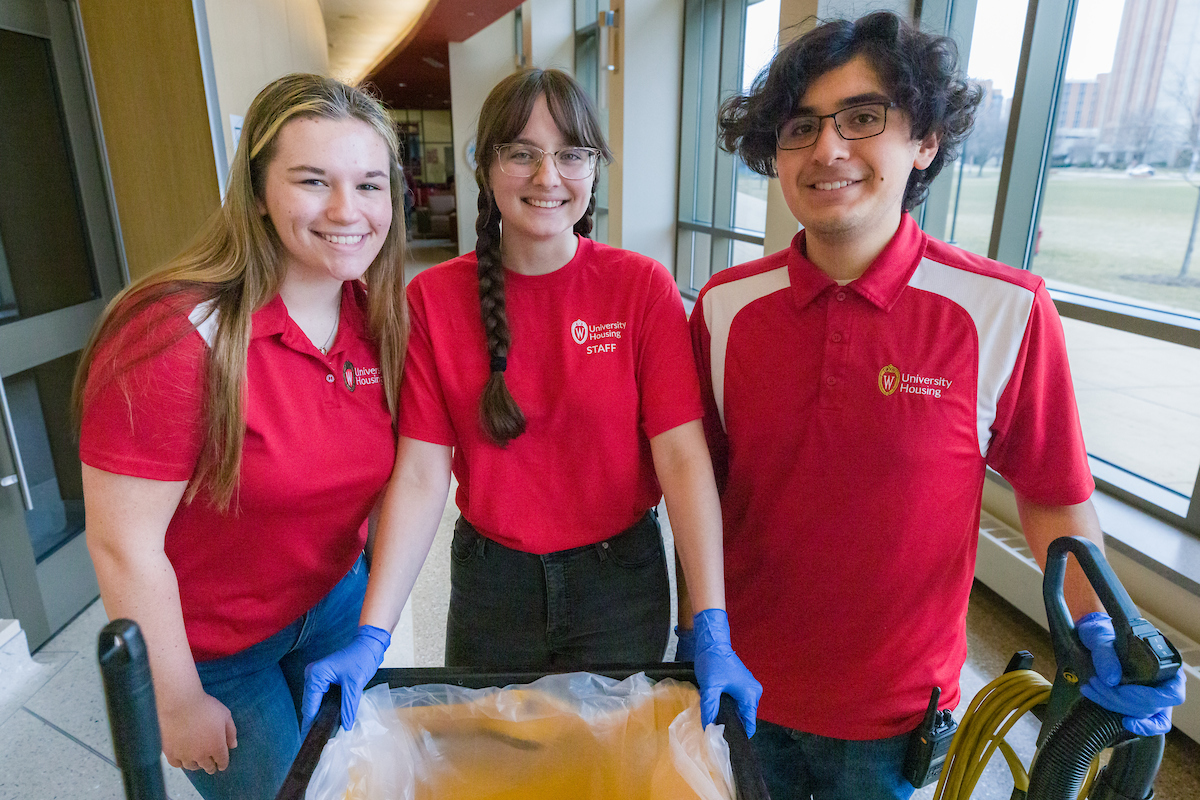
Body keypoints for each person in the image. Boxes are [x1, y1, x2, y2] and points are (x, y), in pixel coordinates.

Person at [691, 11, 1185, 800]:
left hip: (893, 714)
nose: (827, 149)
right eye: (800, 127)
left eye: (862, 118)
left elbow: (1053, 495)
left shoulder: (1004, 310)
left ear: (924, 140)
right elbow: (700, 488)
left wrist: (1100, 626)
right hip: (742, 687)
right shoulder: (725, 307)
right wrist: (697, 627)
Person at [302, 67, 761, 737]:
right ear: (487, 167)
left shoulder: (640, 288)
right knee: (494, 755)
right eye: (521, 153)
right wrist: (374, 632)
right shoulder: (433, 300)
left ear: (594, 168)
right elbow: (422, 474)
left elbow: (683, 459)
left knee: (613, 757)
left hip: (619, 581)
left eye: (571, 154)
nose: (548, 176)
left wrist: (711, 623)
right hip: (493, 585)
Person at [75, 73, 407, 800]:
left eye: (370, 185)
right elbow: (122, 542)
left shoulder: (378, 319)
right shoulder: (172, 335)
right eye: (313, 181)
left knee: (356, 784)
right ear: (257, 192)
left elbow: (390, 488)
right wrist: (175, 701)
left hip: (333, 608)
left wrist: (374, 625)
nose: (347, 210)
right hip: (220, 654)